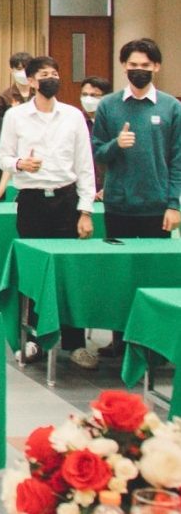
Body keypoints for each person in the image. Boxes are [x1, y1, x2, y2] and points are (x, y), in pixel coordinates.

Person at [0, 55, 97, 369]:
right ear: (31, 81)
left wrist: (86, 211)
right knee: (35, 274)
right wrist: (19, 164)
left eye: (55, 73)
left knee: (69, 275)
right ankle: (35, 340)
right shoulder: (15, 116)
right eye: (44, 74)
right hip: (32, 202)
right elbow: (3, 157)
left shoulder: (73, 116)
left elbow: (85, 166)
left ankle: (75, 343)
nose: (51, 78)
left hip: (66, 201)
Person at [90, 39, 181, 356]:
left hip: (157, 207)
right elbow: (98, 152)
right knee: (121, 277)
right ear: (123, 66)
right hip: (119, 205)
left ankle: (156, 342)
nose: (138, 70)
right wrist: (117, 144)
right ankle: (120, 340)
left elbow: (178, 159)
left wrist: (174, 204)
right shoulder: (108, 106)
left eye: (145, 65)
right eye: (133, 65)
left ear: (156, 67)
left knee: (157, 276)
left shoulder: (171, 107)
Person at [80, 75, 111, 201]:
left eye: (94, 95)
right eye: (84, 94)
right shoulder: (75, 121)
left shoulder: (113, 123)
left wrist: (108, 188)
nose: (88, 99)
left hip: (110, 189)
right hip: (81, 190)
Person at [0, 51, 35, 116]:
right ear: (11, 70)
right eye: (19, 69)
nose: (24, 72)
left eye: (27, 69)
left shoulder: (39, 94)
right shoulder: (3, 97)